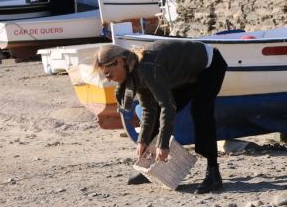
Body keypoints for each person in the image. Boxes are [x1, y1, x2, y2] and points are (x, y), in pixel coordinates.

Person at [94, 40, 227, 193]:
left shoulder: (147, 69)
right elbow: (148, 109)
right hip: (187, 74)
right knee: (155, 110)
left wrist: (163, 144)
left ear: (119, 61)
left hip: (209, 66)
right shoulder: (134, 71)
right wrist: (142, 141)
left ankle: (213, 173)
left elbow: (168, 106)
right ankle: (152, 166)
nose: (109, 79)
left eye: (109, 74)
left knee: (201, 113)